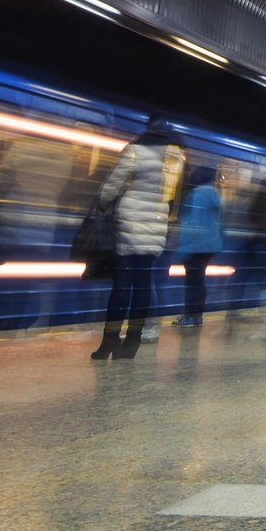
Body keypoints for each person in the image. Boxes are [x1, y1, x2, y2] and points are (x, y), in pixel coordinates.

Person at [91, 118, 183, 361]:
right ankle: (133, 340)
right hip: (156, 224)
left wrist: (102, 201)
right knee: (142, 285)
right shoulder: (174, 158)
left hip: (130, 223)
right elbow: (173, 194)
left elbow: (113, 186)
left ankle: (109, 340)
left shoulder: (135, 151)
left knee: (121, 286)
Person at [171, 163, 223, 328]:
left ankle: (189, 317)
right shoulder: (215, 194)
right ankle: (196, 316)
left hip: (196, 245)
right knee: (199, 280)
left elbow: (191, 224)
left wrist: (182, 248)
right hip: (210, 246)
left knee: (192, 281)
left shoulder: (196, 195)